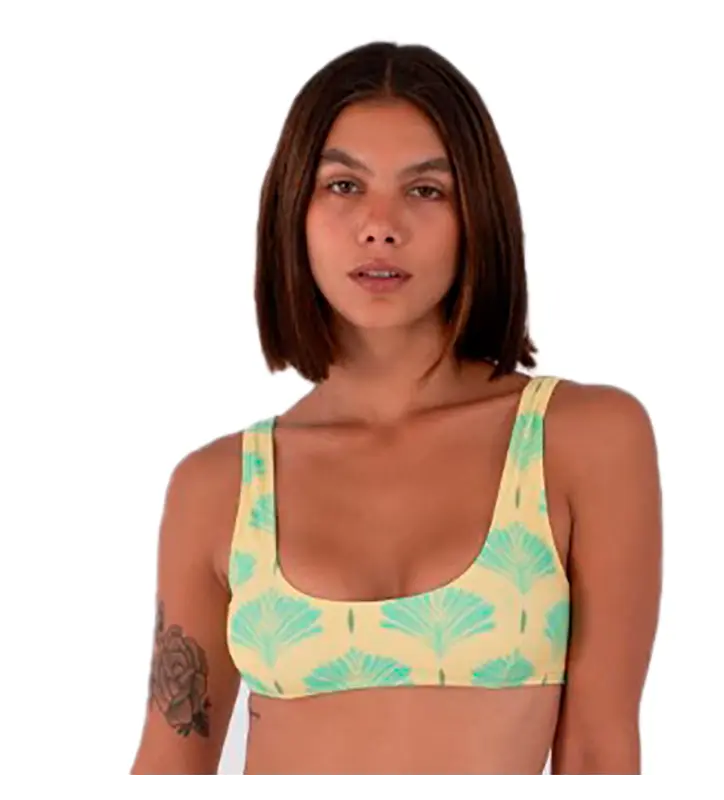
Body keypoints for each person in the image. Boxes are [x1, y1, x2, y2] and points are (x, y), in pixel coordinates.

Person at [129, 40, 662, 776]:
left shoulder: (582, 441)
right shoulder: (218, 485)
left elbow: (601, 753)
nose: (380, 225)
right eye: (344, 185)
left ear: (478, 215)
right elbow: (168, 768)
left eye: (426, 190)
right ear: (293, 210)